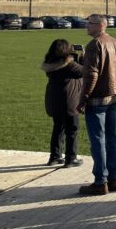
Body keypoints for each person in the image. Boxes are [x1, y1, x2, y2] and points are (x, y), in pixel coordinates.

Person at [78, 14, 116, 195]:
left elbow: (91, 75)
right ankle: (112, 178)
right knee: (111, 138)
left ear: (100, 25)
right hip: (113, 96)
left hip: (98, 98)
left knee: (98, 140)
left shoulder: (94, 45)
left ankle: (101, 181)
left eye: (89, 24)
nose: (86, 27)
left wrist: (83, 99)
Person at [41, 39, 84, 168]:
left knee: (58, 128)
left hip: (54, 100)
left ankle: (55, 156)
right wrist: (83, 57)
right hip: (69, 101)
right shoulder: (69, 65)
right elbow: (84, 72)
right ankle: (71, 158)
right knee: (72, 130)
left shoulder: (51, 62)